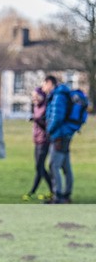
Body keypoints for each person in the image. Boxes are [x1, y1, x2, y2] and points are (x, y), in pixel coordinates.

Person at [42, 75, 76, 204]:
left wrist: (49, 130)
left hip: (59, 135)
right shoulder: (61, 94)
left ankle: (58, 195)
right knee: (65, 166)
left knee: (53, 166)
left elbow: (57, 117)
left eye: (44, 84)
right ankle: (66, 194)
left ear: (50, 83)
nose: (43, 87)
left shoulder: (58, 96)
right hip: (65, 134)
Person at [24, 86, 53, 202]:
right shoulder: (36, 107)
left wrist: (36, 119)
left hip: (44, 141)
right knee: (40, 167)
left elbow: (46, 126)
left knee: (39, 167)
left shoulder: (46, 107)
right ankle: (53, 190)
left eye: (37, 96)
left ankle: (32, 192)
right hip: (37, 140)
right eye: (33, 96)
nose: (34, 98)